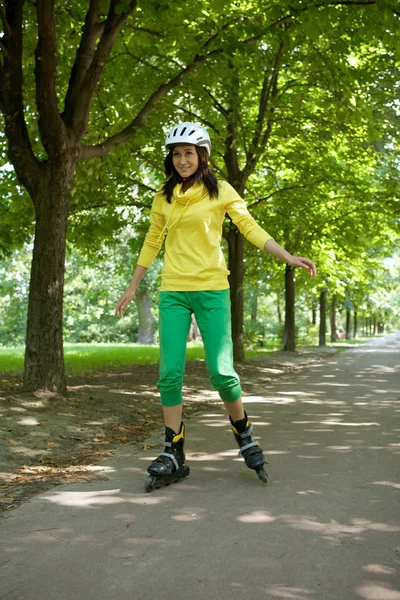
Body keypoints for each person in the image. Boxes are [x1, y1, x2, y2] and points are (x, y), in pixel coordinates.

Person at [116, 122, 316, 492]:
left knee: (222, 372)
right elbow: (152, 241)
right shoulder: (164, 196)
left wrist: (287, 256)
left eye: (188, 153)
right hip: (174, 290)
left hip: (211, 290)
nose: (182, 160)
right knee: (168, 373)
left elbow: (250, 227)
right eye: (176, 154)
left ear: (202, 155)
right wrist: (132, 287)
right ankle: (173, 451)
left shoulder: (221, 191)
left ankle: (244, 433)